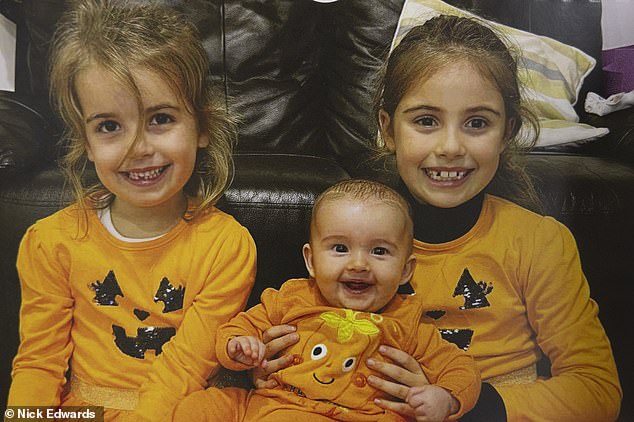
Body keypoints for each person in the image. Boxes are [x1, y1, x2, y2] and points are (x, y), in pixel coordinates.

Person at [255, 15, 622, 422]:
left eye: (477, 123)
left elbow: (596, 389)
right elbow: (303, 331)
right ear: (388, 129)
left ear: (507, 132)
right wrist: (274, 365)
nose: (450, 147)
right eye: (426, 121)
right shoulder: (350, 237)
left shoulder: (538, 242)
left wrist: (469, 405)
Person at [7, 1, 256, 421]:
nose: (137, 148)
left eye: (160, 118)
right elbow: (37, 363)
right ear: (84, 141)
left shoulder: (227, 245)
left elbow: (186, 368)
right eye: (109, 126)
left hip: (180, 406)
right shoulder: (49, 242)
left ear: (203, 127)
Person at [174, 179, 481, 422]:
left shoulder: (408, 322)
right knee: (199, 408)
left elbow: (461, 368)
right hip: (271, 406)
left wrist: (447, 398)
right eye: (339, 248)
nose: (358, 264)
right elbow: (239, 326)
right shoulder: (291, 298)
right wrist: (239, 346)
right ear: (311, 260)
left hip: (363, 416)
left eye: (379, 251)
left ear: (405, 270)